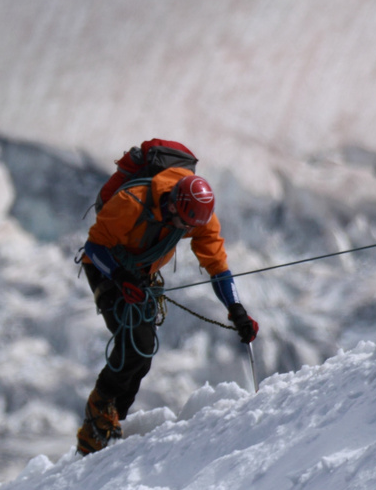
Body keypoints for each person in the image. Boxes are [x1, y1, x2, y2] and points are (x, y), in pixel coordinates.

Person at [77, 158, 258, 455]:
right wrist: (121, 278)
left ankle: (110, 423)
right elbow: (94, 248)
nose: (186, 231)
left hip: (139, 273)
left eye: (192, 226)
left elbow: (218, 266)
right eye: (184, 224)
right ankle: (99, 411)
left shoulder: (199, 218)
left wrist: (236, 309)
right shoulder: (130, 203)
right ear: (172, 205)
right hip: (106, 268)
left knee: (142, 353)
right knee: (136, 344)